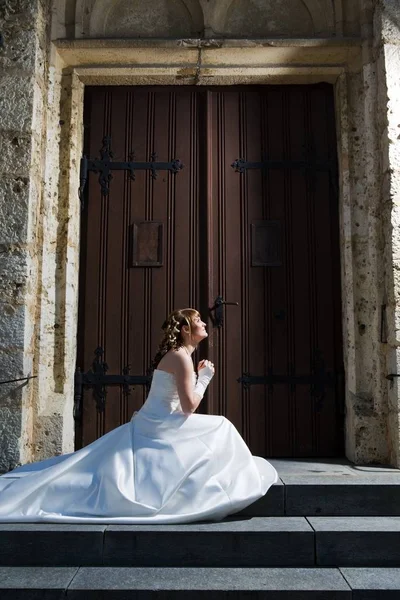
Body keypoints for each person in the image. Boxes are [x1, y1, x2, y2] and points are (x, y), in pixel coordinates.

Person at [0, 308, 278, 523]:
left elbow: (182, 405)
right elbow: (189, 407)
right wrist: (205, 378)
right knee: (222, 427)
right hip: (160, 425)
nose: (205, 324)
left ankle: (212, 484)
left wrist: (199, 375)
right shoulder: (180, 357)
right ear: (185, 329)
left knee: (217, 430)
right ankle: (218, 489)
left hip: (160, 420)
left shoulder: (181, 354)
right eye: (198, 321)